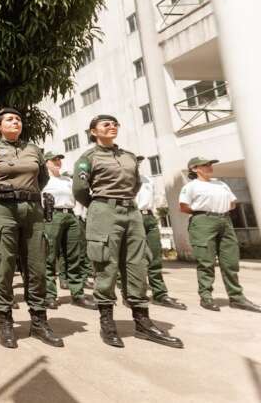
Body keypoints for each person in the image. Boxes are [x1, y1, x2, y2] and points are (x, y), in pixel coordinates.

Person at [73, 114, 182, 349]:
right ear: (93, 132)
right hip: (103, 210)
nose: (112, 127)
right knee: (106, 265)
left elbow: (135, 184)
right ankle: (107, 323)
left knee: (137, 264)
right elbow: (80, 189)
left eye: (115, 124)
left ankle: (142, 322)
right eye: (106, 124)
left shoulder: (129, 157)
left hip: (131, 212)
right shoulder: (87, 158)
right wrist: (99, 206)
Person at [0, 108, 63, 349]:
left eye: (18, 119)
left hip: (32, 211)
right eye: (10, 119)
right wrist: (1, 192)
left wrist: (27, 193)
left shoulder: (33, 150)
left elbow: (42, 179)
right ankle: (6, 323)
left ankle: (39, 322)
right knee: (4, 266)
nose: (16, 122)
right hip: (3, 210)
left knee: (37, 267)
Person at [179, 157, 261, 313]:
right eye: (206, 165)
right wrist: (203, 214)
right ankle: (206, 297)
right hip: (203, 222)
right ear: (195, 169)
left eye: (211, 164)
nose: (210, 167)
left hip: (225, 220)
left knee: (230, 261)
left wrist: (219, 212)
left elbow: (233, 203)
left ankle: (237, 298)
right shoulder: (191, 186)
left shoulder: (221, 183)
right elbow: (183, 207)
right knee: (206, 262)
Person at [42, 152, 96, 310]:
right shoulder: (42, 180)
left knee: (74, 256)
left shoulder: (68, 180)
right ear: (46, 163)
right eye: (54, 160)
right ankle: (50, 295)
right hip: (52, 216)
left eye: (59, 159)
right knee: (49, 256)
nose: (58, 162)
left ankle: (77, 294)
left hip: (71, 216)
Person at [135, 156, 186, 310]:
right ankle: (135, 294)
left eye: (138, 161)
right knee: (135, 259)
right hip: (133, 217)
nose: (136, 164)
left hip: (149, 217)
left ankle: (160, 294)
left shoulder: (147, 180)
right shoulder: (120, 180)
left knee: (155, 258)